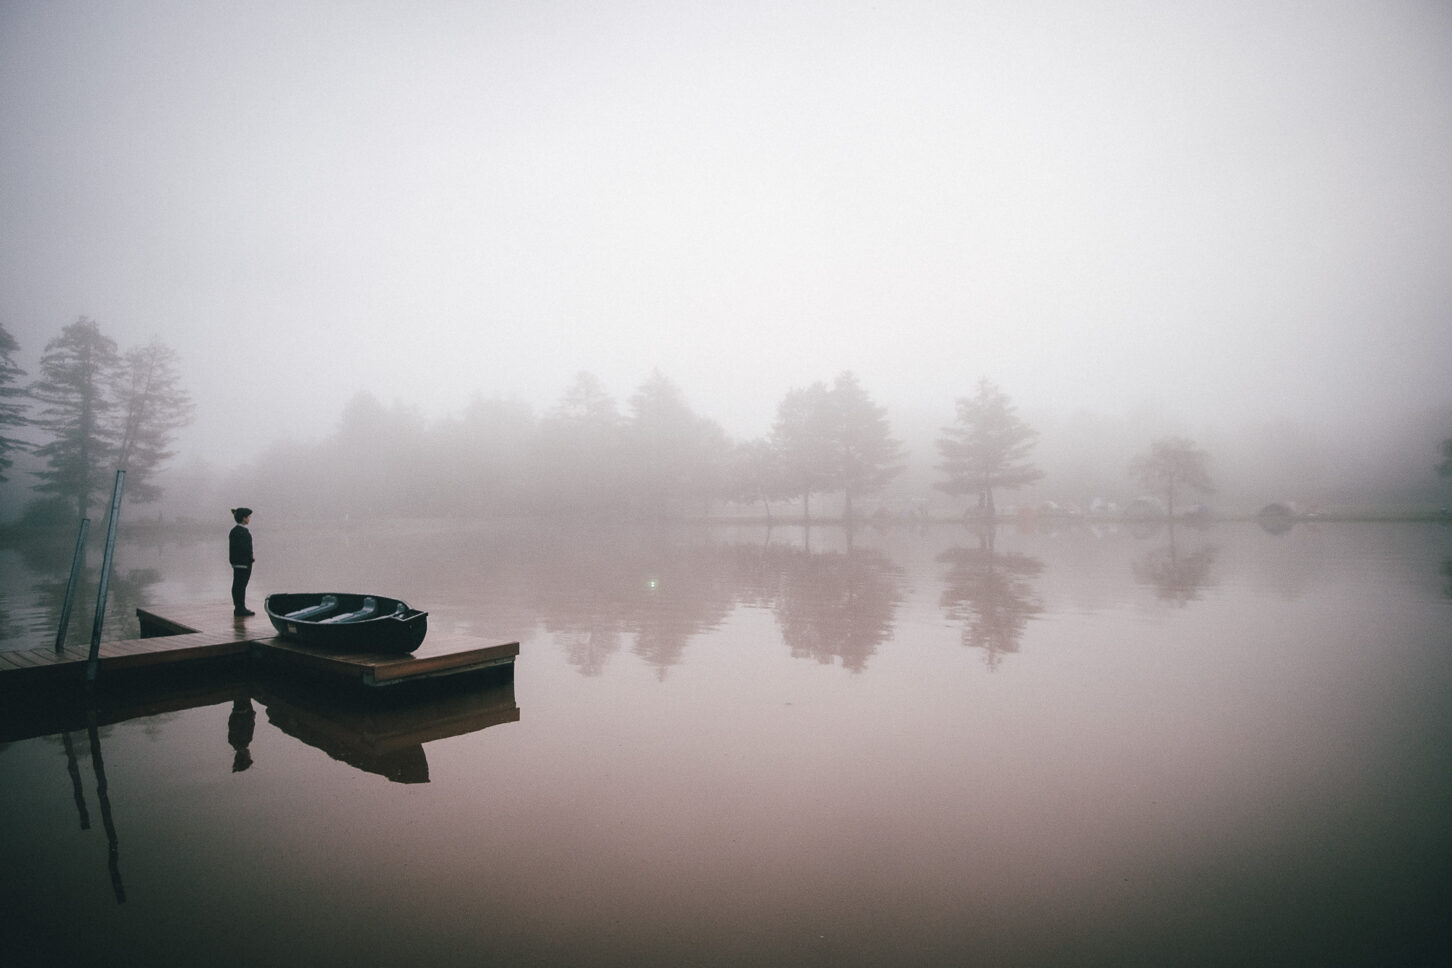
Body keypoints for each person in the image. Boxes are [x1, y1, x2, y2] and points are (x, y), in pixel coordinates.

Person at [229, 507, 255, 616]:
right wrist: (250, 558)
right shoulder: (243, 532)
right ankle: (241, 608)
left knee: (237, 585)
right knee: (241, 586)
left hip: (236, 563)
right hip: (243, 564)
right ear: (243, 518)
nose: (249, 519)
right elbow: (245, 548)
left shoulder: (234, 531)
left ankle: (238, 607)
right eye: (248, 517)